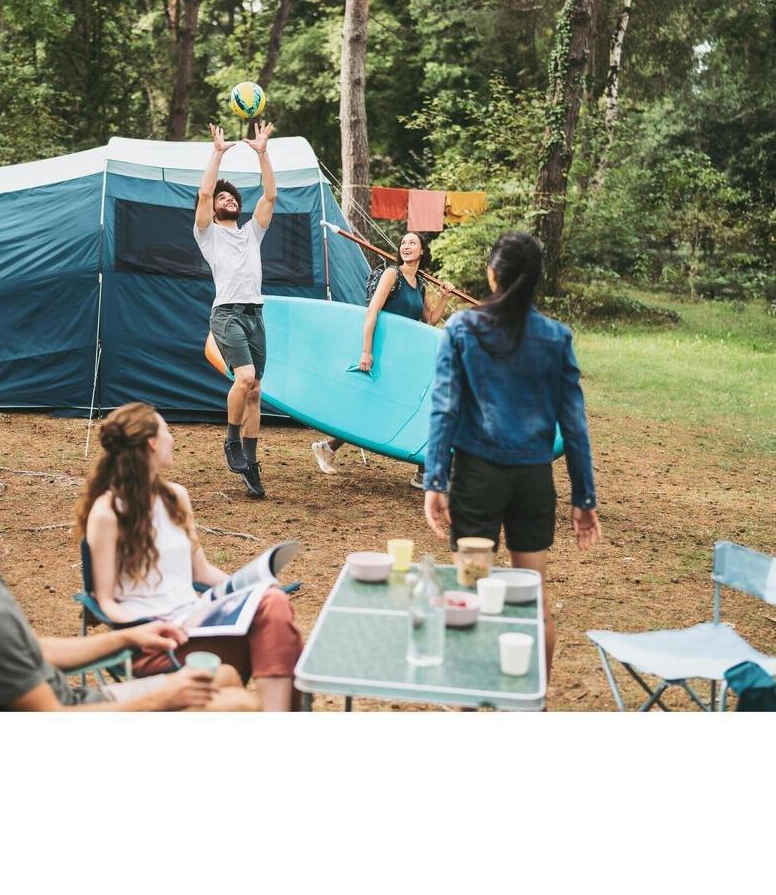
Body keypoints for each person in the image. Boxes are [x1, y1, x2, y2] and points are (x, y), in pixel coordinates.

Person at [0, 463, 257, 711]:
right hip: (73, 709)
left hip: (74, 700)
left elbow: (32, 650)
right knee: (241, 703)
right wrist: (165, 698)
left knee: (224, 675)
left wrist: (126, 637)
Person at [421, 231, 602, 682]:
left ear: (492, 274)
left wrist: (435, 480)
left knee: (470, 594)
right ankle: (532, 704)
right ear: (536, 280)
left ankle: (467, 700)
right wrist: (584, 497)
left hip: (477, 479)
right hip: (532, 482)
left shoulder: (462, 328)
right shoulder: (557, 337)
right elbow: (575, 424)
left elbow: (445, 407)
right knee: (532, 599)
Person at [78, 402, 304, 712]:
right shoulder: (107, 513)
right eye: (167, 432)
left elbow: (201, 571)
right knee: (277, 630)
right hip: (157, 641)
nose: (174, 439)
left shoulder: (176, 497)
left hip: (197, 619)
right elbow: (105, 601)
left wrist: (253, 586)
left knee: (272, 602)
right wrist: (145, 630)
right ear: (151, 443)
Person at [312, 230, 454, 487]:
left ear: (422, 251)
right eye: (403, 242)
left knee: (407, 406)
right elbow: (372, 311)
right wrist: (366, 351)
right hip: (383, 351)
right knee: (372, 406)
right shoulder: (392, 274)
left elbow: (430, 320)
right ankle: (423, 471)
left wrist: (444, 296)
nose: (406, 246)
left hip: (407, 357)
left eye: (413, 242)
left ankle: (329, 447)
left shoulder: (419, 283)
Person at [194, 120, 276, 499]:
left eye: (233, 198)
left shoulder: (250, 233)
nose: (229, 200)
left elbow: (270, 197)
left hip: (254, 314)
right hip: (226, 313)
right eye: (222, 199)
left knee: (256, 390)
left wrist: (262, 153)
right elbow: (204, 191)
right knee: (243, 378)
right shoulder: (207, 234)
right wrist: (218, 152)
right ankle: (231, 442)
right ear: (212, 209)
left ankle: (250, 460)